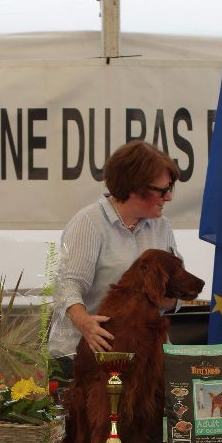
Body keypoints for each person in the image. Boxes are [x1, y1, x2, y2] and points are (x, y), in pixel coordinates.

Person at [48, 140, 182, 364]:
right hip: (86, 355)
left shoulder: (162, 227)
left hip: (143, 357)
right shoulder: (88, 223)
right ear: (134, 189)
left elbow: (174, 295)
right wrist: (86, 323)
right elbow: (68, 285)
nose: (168, 197)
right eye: (163, 190)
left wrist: (165, 296)